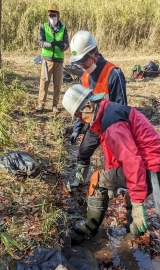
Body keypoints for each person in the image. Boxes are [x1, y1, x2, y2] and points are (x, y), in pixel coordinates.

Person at [62, 84, 160, 238]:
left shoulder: (111, 123)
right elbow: (113, 153)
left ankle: (89, 228)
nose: (81, 121)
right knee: (130, 196)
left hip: (152, 167)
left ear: (88, 106)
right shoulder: (108, 112)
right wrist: (111, 177)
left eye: (79, 116)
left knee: (96, 180)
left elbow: (131, 161)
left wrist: (137, 203)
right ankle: (134, 235)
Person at [68, 30, 127, 187]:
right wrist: (76, 129)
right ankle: (79, 181)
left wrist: (118, 136)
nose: (82, 66)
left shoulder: (113, 74)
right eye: (78, 63)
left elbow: (122, 108)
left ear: (94, 53)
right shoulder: (84, 77)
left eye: (83, 61)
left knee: (112, 159)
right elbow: (82, 107)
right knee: (83, 152)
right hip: (95, 125)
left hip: (112, 126)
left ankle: (116, 187)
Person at [36, 3, 69, 113]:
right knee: (44, 83)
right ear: (48, 16)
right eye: (50, 15)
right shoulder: (43, 27)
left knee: (57, 84)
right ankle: (41, 104)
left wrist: (62, 46)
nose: (52, 17)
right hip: (47, 60)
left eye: (54, 15)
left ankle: (55, 105)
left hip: (59, 61)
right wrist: (50, 44)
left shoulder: (63, 29)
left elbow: (66, 44)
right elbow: (41, 42)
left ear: (58, 15)